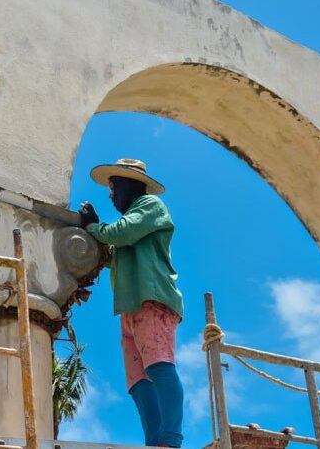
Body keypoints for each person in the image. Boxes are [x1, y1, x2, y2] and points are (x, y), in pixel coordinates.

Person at [79, 159, 184, 448]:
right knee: (138, 380)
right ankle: (155, 441)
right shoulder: (136, 215)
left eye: (113, 187)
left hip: (153, 300)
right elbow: (116, 243)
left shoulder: (150, 204)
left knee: (159, 366)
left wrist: (92, 226)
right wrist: (97, 231)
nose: (111, 194)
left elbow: (122, 232)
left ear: (130, 186)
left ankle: (170, 439)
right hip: (132, 305)